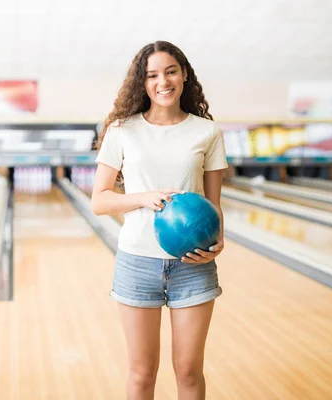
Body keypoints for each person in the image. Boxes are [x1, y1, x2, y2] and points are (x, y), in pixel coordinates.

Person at [90, 40, 228, 400]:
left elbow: (214, 205)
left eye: (170, 71)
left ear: (184, 74)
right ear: (142, 82)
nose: (162, 82)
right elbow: (99, 200)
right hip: (137, 262)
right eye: (152, 75)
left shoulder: (207, 132)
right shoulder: (122, 129)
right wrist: (144, 198)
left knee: (188, 372)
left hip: (193, 266)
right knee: (140, 374)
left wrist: (218, 243)